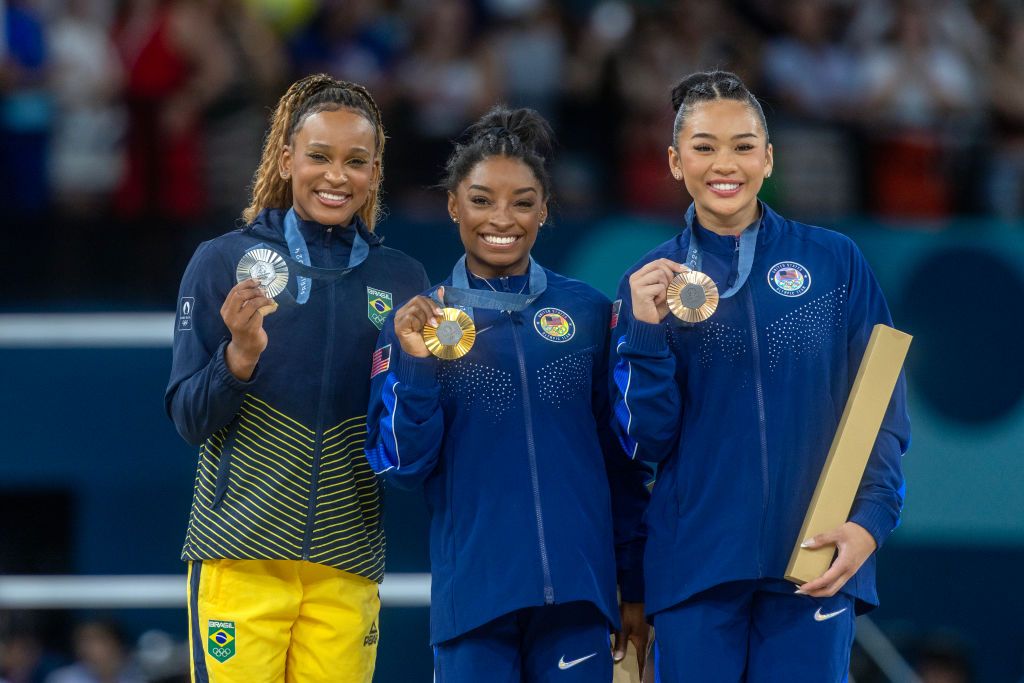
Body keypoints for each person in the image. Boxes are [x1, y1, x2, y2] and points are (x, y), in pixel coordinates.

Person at [610, 70, 909, 682]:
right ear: (673, 161)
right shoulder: (649, 281)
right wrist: (642, 330)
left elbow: (879, 403)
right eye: (704, 146)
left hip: (815, 559)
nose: (726, 163)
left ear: (768, 158)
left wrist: (870, 521)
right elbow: (645, 441)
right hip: (696, 564)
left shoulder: (833, 261)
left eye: (744, 145)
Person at [365, 106, 650, 682]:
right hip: (475, 601)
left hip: (578, 598)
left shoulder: (588, 313)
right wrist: (416, 367)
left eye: (522, 202)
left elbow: (622, 461)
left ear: (544, 209)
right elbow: (401, 465)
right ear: (452, 206)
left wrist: (634, 583)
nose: (503, 218)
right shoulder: (416, 323)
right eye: (481, 200)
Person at [165, 73, 429, 683]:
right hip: (240, 557)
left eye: (355, 161)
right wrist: (241, 354)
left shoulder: (402, 279)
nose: (337, 176)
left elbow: (407, 443)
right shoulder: (222, 261)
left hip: (347, 563)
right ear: (286, 159)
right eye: (319, 157)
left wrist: (421, 379)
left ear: (374, 170)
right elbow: (187, 417)